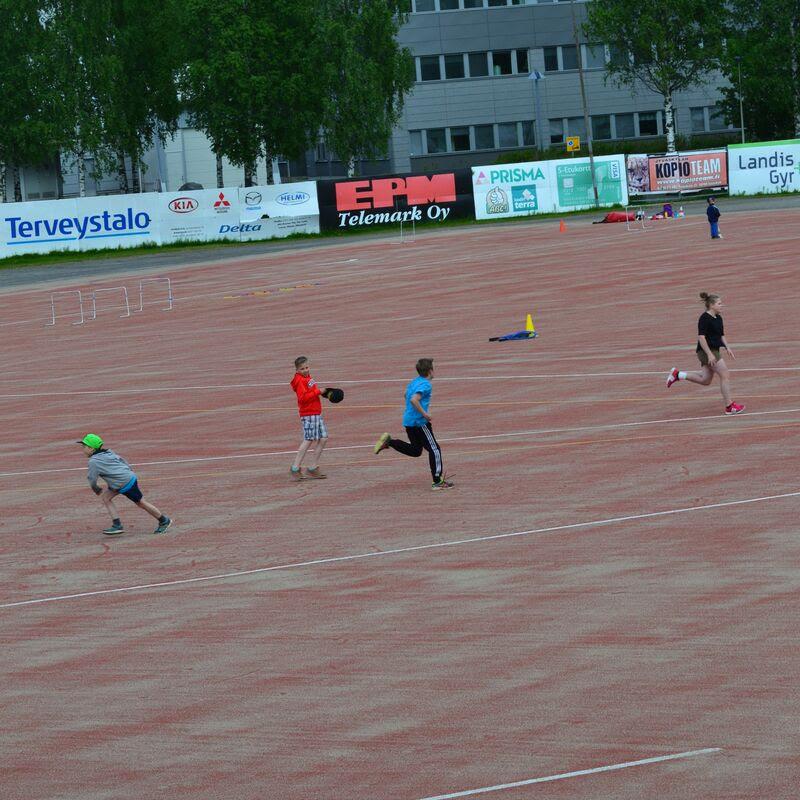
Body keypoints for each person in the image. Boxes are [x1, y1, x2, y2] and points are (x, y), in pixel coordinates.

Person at [373, 358, 454, 490]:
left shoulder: (414, 381)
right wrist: (424, 414)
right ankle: (437, 482)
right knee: (435, 449)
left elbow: (406, 394)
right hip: (419, 422)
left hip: (409, 421)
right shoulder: (426, 384)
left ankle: (389, 442)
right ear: (430, 371)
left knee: (416, 451)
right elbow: (413, 399)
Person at [666, 293, 745, 415]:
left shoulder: (718, 318)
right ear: (712, 305)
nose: (722, 305)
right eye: (719, 303)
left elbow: (721, 335)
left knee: (705, 380)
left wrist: (727, 347)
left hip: (714, 350)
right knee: (725, 374)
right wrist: (709, 354)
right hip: (705, 351)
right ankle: (729, 406)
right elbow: (701, 338)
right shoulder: (704, 318)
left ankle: (678, 374)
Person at [78, 433, 172, 536]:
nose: (83, 449)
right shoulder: (108, 452)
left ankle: (164, 520)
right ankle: (117, 525)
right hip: (123, 479)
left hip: (124, 482)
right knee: (106, 498)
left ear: (91, 449)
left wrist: (96, 489)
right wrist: (128, 471)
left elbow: (92, 479)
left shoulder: (93, 462)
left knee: (141, 502)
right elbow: (122, 460)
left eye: (84, 447)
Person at [289, 356, 328, 480]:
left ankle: (312, 468)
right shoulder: (300, 380)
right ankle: (295, 468)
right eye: (302, 369)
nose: (305, 370)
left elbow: (312, 391)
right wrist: (318, 392)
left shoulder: (308, 377)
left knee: (323, 438)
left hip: (316, 412)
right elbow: (303, 398)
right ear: (297, 370)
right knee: (308, 439)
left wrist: (325, 393)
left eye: (307, 367)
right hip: (308, 414)